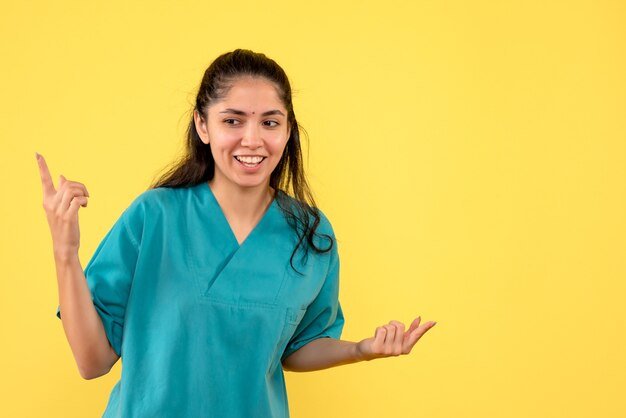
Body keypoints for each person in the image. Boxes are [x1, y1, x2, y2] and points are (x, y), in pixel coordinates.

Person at [36, 49, 437, 418]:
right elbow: (92, 362)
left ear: (288, 131)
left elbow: (299, 347)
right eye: (233, 120)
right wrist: (65, 253)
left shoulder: (310, 234)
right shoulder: (154, 216)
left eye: (269, 122)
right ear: (202, 125)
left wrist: (361, 350)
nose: (253, 139)